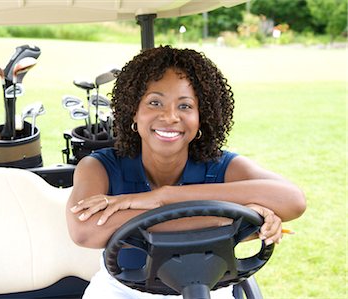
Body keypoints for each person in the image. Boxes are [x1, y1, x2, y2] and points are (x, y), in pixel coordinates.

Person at [66, 45, 306, 299]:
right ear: (133, 112)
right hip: (122, 291)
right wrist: (227, 219)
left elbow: (293, 200)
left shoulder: (222, 165)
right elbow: (85, 231)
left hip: (212, 290)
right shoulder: (99, 166)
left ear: (202, 117)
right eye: (155, 102)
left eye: (185, 106)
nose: (169, 117)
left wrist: (164, 197)